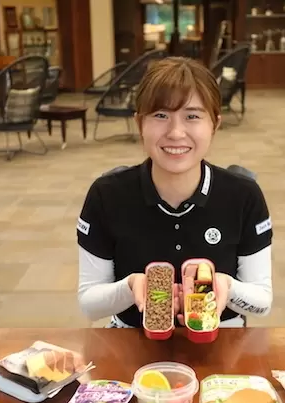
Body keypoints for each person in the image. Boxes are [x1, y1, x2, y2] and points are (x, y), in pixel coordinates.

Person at [77, 57, 273, 329]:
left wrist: (227, 286)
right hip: (131, 337)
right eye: (160, 115)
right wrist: (131, 287)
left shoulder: (243, 196)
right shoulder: (107, 195)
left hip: (223, 339)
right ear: (139, 123)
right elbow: (89, 305)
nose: (176, 132)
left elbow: (262, 303)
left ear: (214, 124)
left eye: (192, 116)